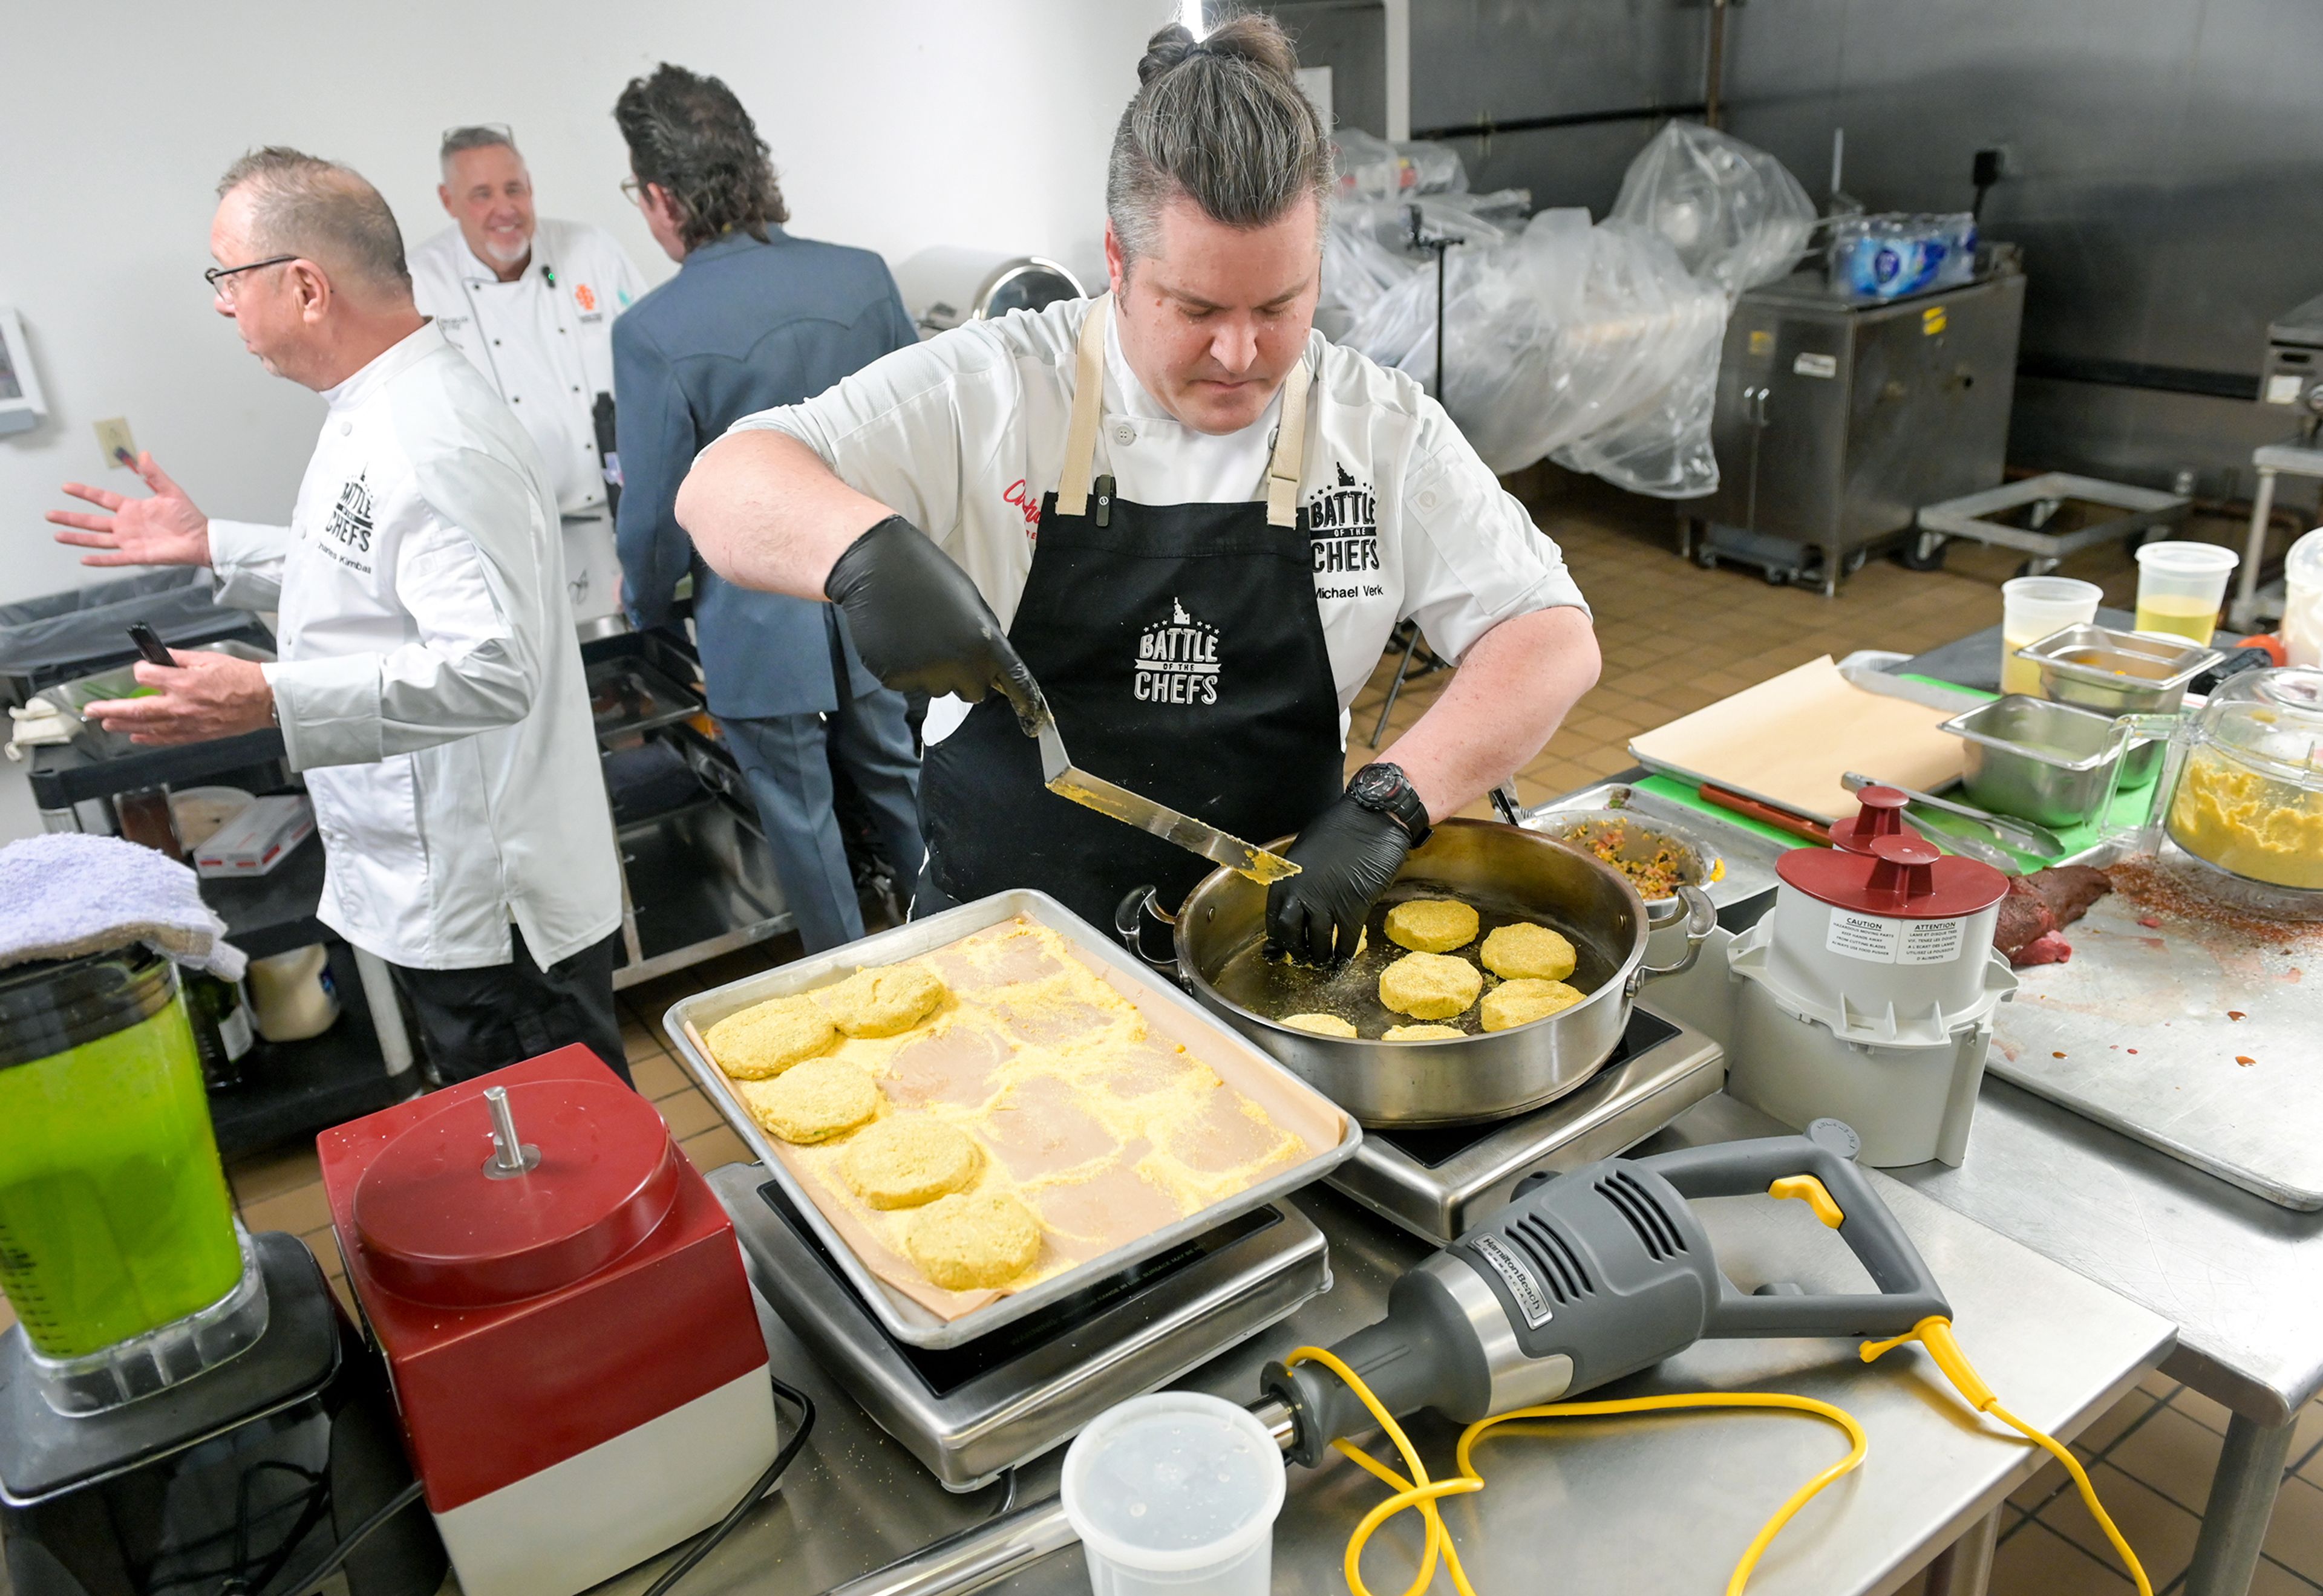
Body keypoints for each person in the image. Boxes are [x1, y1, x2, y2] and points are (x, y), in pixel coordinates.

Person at [673, 18, 1599, 962]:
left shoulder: (1378, 426)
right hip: (1004, 951)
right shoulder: (993, 389)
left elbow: (1548, 633)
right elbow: (726, 481)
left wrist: (1397, 799)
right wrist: (857, 552)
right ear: (1116, 261)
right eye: (1196, 309)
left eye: (1280, 306)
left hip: (1264, 956)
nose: (1241, 354)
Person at [45, 148, 629, 1086]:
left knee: (569, 1177)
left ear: (307, 286)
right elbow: (363, 572)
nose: (220, 302)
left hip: (493, 911)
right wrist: (212, 544)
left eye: (228, 276)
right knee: (519, 1164)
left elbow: (492, 667)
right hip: (434, 886)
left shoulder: (430, 431)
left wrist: (272, 698)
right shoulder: (375, 404)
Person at [611, 63, 924, 954]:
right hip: (873, 594)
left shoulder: (653, 331)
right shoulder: (861, 278)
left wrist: (647, 610)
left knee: (800, 819)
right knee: (902, 782)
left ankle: (854, 986)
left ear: (663, 196)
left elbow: (657, 517)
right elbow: (920, 442)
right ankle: (960, 944)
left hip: (754, 621)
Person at [410, 125, 646, 626]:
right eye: (482, 195)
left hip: (615, 529)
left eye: (514, 189)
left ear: (531, 187)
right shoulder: (420, 285)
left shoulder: (592, 253)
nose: (505, 209)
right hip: (499, 548)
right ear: (447, 200)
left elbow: (654, 370)